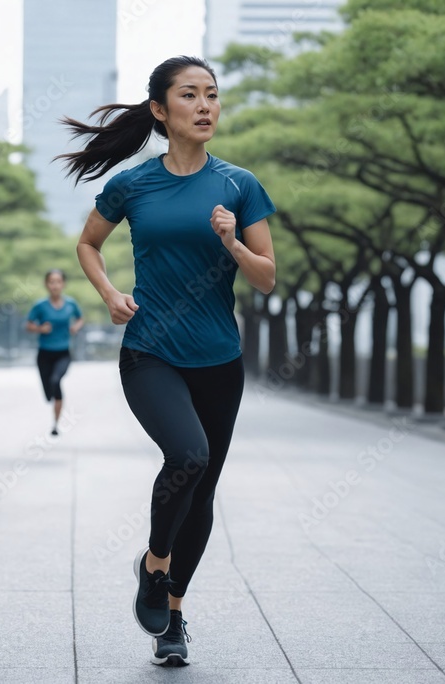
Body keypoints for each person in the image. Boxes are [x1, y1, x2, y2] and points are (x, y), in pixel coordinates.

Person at [58, 55, 276, 667]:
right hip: (151, 350)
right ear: (160, 110)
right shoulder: (133, 184)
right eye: (190, 95)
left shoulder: (240, 184)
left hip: (218, 358)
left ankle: (172, 616)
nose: (205, 105)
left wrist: (232, 242)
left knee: (200, 494)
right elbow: (87, 243)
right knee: (188, 456)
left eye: (212, 94)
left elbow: (266, 279)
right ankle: (155, 564)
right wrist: (108, 294)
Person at [26, 269, 84, 435]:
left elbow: (80, 318)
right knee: (48, 393)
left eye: (58, 281)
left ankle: (55, 425)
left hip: (63, 353)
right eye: (52, 282)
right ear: (47, 284)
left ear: (63, 284)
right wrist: (39, 328)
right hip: (44, 354)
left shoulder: (71, 304)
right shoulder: (40, 306)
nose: (55, 285)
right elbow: (28, 325)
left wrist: (75, 327)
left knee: (55, 380)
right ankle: (50, 397)